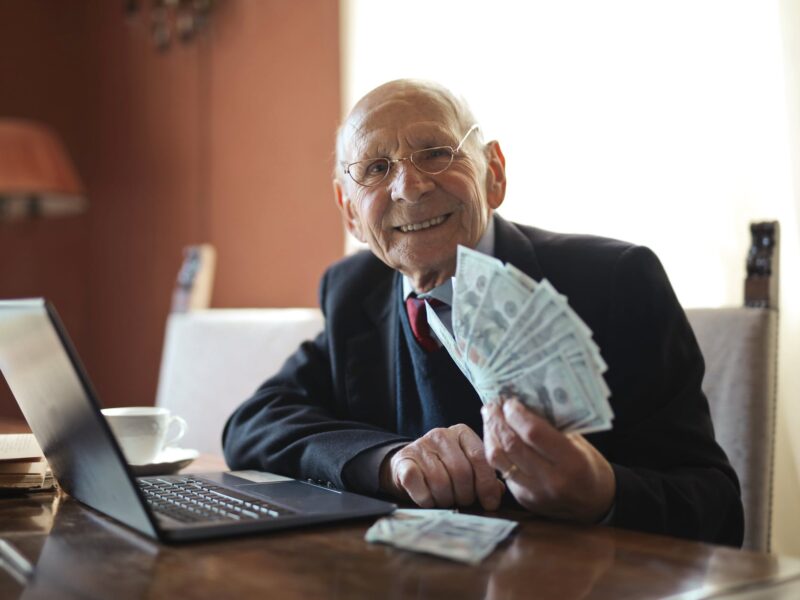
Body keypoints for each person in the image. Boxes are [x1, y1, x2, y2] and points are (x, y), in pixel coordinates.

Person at [222, 79, 744, 546]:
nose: (410, 185)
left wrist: (602, 492)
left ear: (494, 172)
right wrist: (389, 460)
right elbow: (254, 423)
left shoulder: (616, 281)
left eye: (434, 152)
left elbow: (717, 509)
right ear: (349, 211)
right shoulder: (355, 290)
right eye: (377, 168)